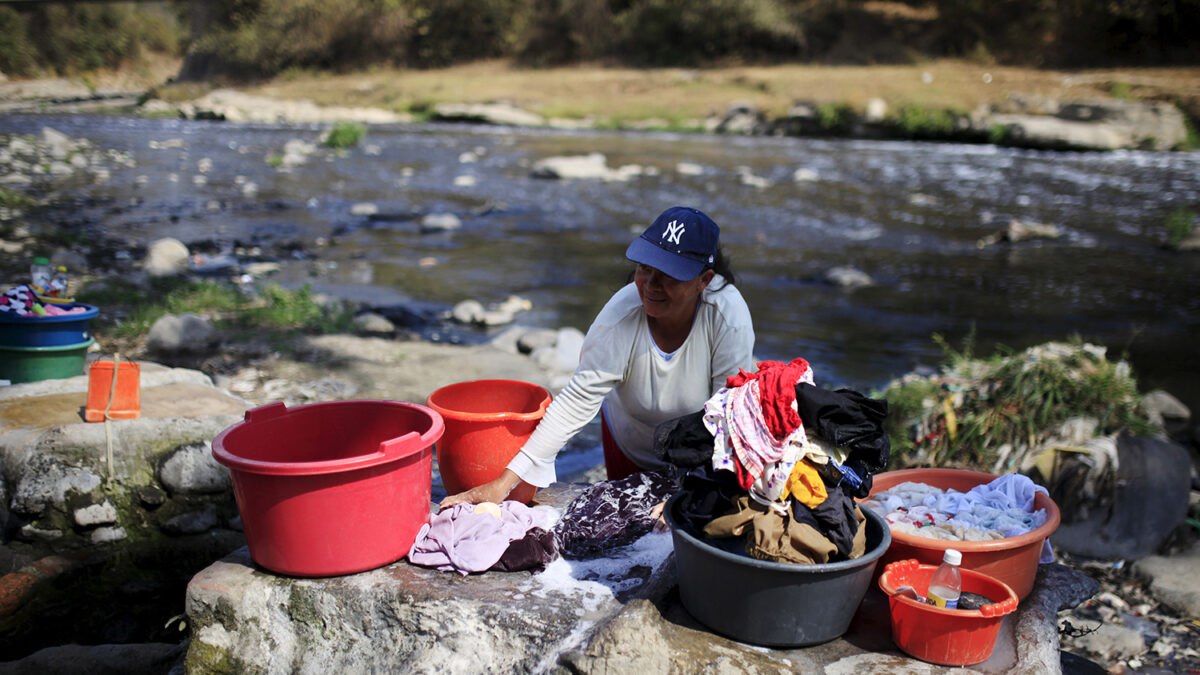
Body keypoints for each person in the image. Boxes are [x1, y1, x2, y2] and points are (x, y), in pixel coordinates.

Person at [440, 206, 756, 509]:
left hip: (703, 445)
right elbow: (575, 402)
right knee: (628, 534)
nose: (651, 285)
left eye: (670, 276)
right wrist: (503, 483)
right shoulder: (621, 314)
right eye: (645, 268)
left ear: (704, 280)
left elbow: (726, 414)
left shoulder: (727, 317)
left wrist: (693, 490)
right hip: (629, 439)